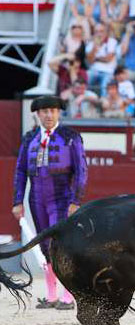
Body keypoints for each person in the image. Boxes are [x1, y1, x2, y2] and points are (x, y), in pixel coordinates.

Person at [12, 96, 87, 310]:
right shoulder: (30, 138)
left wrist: (75, 200)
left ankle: (67, 295)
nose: (48, 115)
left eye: (52, 111)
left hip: (62, 196)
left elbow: (81, 170)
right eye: (44, 111)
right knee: (45, 245)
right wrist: (18, 201)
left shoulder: (70, 136)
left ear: (58, 113)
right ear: (37, 114)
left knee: (61, 245)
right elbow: (20, 171)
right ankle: (52, 295)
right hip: (36, 197)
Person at [85, 22, 118, 96]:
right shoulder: (91, 43)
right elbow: (90, 61)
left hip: (108, 71)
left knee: (105, 88)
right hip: (94, 70)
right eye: (97, 32)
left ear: (106, 32)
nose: (99, 34)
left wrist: (96, 59)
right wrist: (94, 47)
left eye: (101, 31)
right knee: (85, 79)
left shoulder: (112, 41)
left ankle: (104, 104)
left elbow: (108, 59)